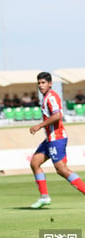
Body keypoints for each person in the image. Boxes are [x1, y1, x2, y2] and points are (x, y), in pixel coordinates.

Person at [29, 72, 85, 208]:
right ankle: (44, 197)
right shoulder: (46, 97)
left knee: (61, 169)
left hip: (57, 138)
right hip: (50, 139)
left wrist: (39, 125)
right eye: (39, 83)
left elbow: (57, 116)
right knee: (35, 162)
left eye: (43, 83)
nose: (40, 85)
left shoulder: (51, 97)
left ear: (50, 84)